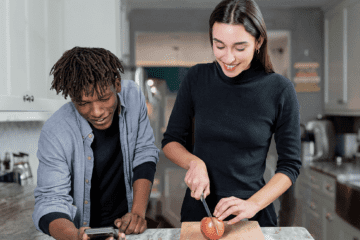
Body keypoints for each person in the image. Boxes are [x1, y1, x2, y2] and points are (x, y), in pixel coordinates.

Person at [162, 0, 301, 227]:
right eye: (219, 46)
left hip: (252, 216)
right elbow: (170, 142)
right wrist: (194, 162)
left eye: (239, 47)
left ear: (259, 42)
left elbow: (290, 165)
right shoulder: (197, 78)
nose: (228, 58)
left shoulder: (280, 89)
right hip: (200, 213)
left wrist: (253, 204)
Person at [32, 47, 159, 240]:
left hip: (126, 231)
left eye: (104, 98)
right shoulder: (55, 131)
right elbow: (50, 201)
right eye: (83, 103)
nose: (97, 112)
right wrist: (76, 236)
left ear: (117, 84)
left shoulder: (133, 96)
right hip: (81, 232)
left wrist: (137, 214)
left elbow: (144, 153)